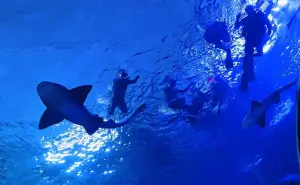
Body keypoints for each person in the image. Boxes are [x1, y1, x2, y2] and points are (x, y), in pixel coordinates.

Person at [235, 5, 272, 91]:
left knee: (254, 54)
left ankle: (246, 76)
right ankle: (247, 76)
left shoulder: (248, 19)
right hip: (256, 39)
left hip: (252, 40)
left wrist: (237, 18)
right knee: (255, 54)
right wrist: (269, 29)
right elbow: (267, 23)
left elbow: (237, 26)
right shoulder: (258, 15)